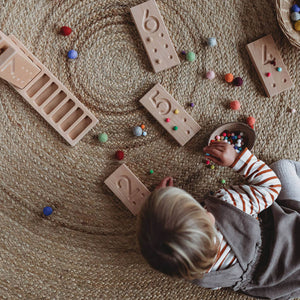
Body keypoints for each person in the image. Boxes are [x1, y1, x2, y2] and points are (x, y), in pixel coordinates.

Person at [137, 141, 300, 300]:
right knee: (282, 167)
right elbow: (272, 186)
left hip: (287, 284)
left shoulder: (199, 275)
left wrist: (161, 206)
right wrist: (237, 160)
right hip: (292, 232)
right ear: (209, 216)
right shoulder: (228, 205)